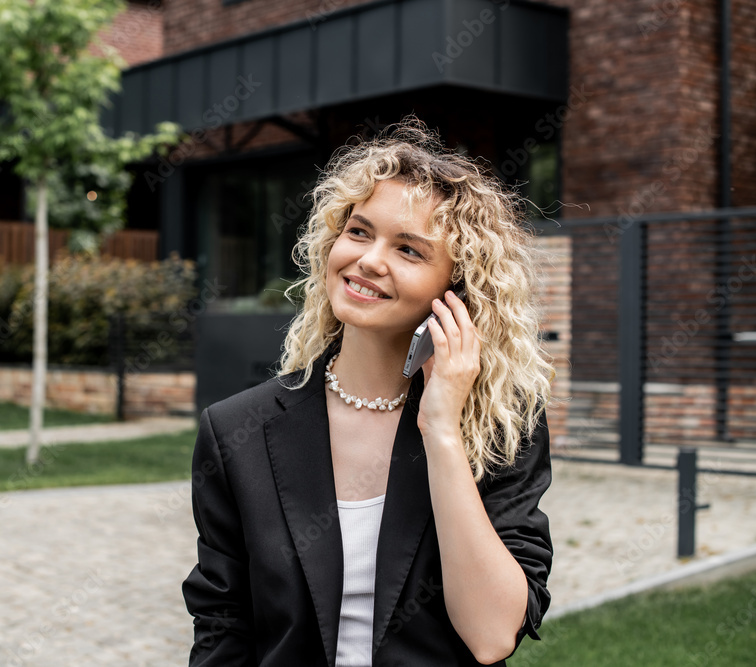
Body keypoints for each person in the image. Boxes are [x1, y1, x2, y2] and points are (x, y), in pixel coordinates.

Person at [182, 116, 556, 666]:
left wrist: (442, 432)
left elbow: (493, 635)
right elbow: (222, 631)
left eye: (409, 250)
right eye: (359, 231)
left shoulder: (501, 427)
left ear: (457, 291)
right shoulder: (236, 430)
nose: (369, 260)